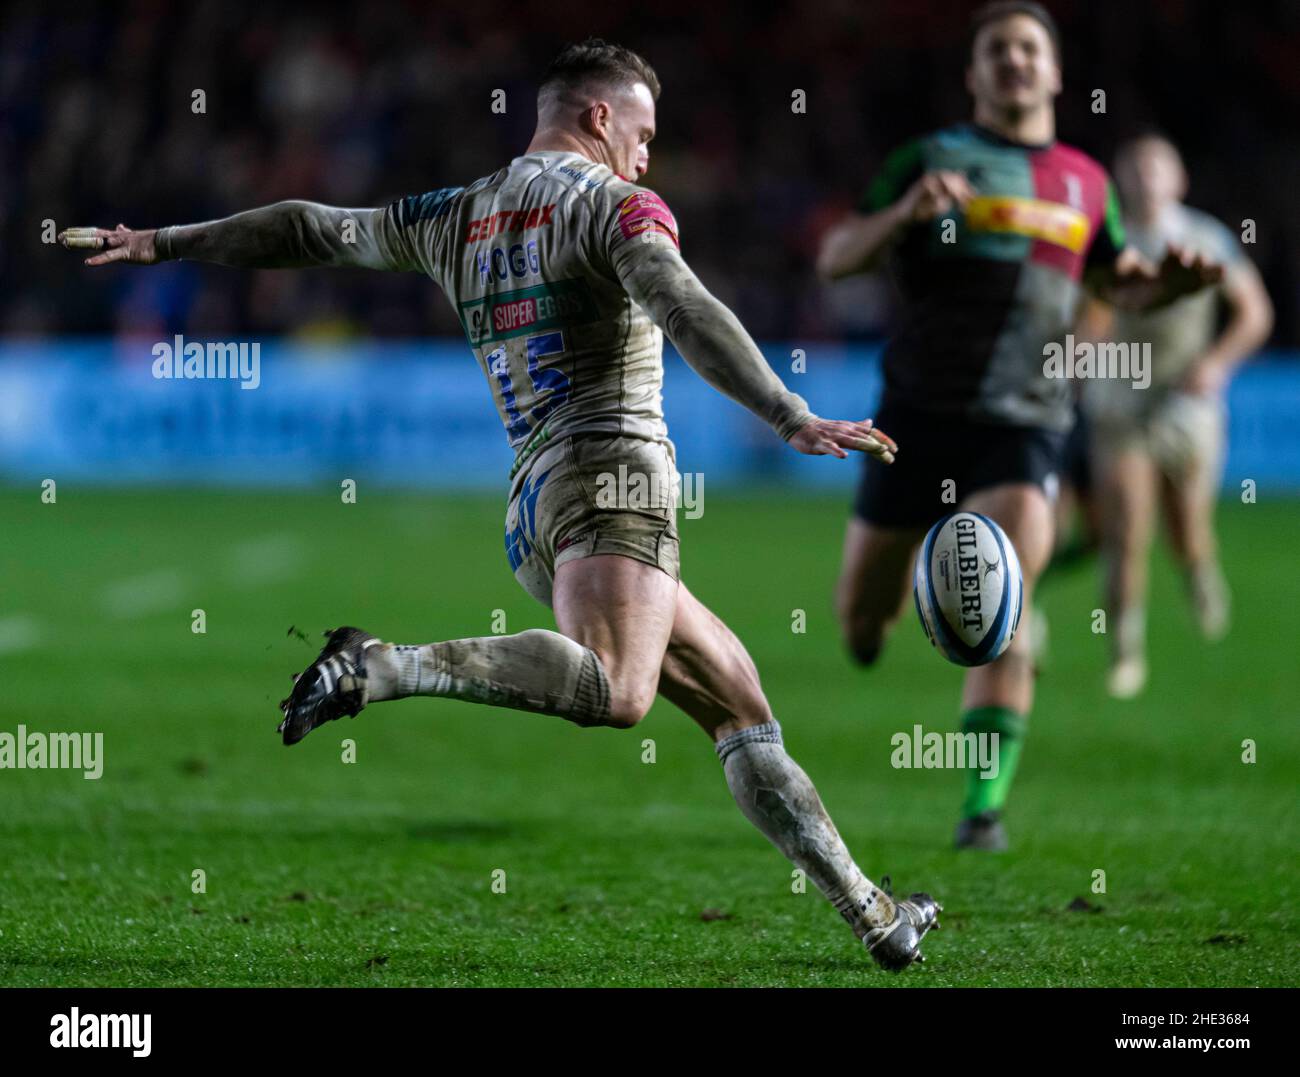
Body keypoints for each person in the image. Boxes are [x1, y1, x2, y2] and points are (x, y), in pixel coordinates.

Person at [62, 39, 940, 970]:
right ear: (599, 118)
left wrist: (166, 241)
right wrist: (787, 410)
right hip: (614, 480)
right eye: (641, 132)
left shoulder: (456, 213)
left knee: (737, 701)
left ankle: (873, 913)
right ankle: (387, 665)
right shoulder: (616, 205)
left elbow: (312, 227)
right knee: (622, 688)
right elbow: (682, 306)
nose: (648, 154)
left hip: (533, 506)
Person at [816, 2, 1221, 851]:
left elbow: (1119, 284)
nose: (1014, 61)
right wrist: (904, 216)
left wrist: (1172, 289)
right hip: (914, 420)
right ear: (975, 74)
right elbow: (836, 257)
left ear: (1056, 71)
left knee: (1006, 595)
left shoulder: (1085, 181)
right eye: (996, 49)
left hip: (1024, 421)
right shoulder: (928, 160)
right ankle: (877, 621)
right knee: (861, 620)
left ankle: (982, 807)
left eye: (1029, 48)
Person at [1080, 133, 1273, 699]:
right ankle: (1125, 652)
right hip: (1120, 399)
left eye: (1156, 167)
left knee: (1186, 530)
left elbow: (1256, 312)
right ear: (1120, 180)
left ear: (1179, 179)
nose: (1145, 178)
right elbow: (1084, 315)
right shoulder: (1104, 241)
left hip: (1187, 404)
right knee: (1126, 527)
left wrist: (1216, 363)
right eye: (1134, 168)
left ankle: (1198, 572)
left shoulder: (1205, 238)